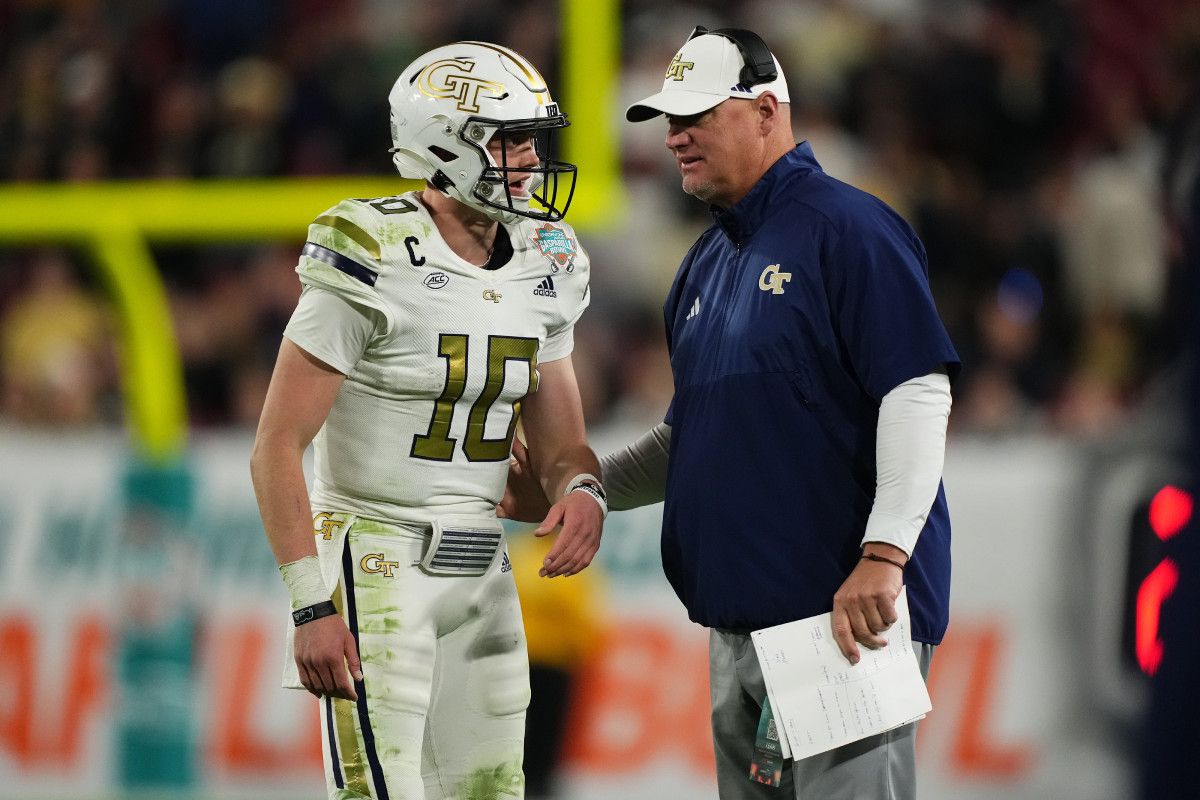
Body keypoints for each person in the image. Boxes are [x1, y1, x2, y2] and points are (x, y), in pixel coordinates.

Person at [503, 26, 958, 800]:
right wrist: (583, 490)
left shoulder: (849, 229)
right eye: (668, 120)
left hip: (840, 619)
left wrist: (884, 556)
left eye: (697, 115)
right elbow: (693, 440)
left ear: (767, 111)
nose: (674, 137)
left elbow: (918, 392)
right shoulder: (706, 262)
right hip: (739, 629)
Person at [250, 41, 607, 800]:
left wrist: (582, 488)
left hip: (483, 567)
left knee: (492, 792)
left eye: (532, 141)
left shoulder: (549, 259)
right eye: (508, 140)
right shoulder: (371, 247)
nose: (529, 161)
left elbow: (561, 445)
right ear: (443, 142)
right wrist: (312, 602)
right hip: (377, 555)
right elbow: (277, 445)